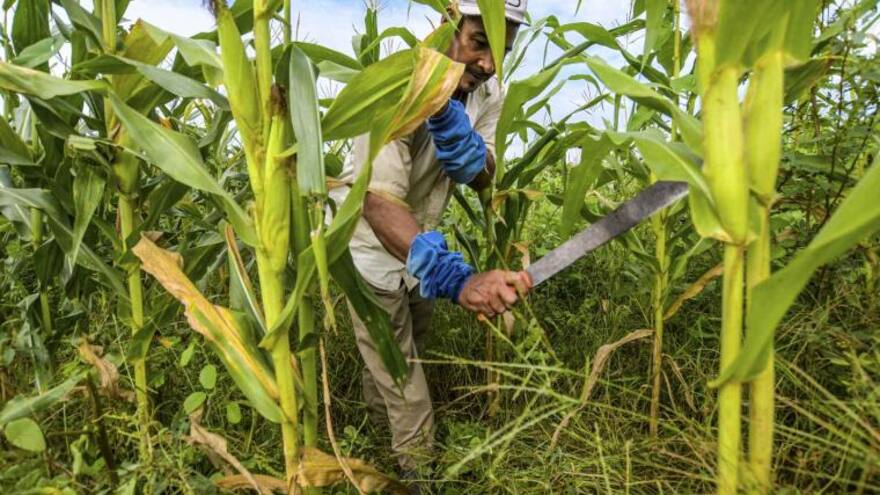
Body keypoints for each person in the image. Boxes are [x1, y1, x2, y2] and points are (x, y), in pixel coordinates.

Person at [332, 0, 531, 481]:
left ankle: (376, 435)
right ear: (447, 22)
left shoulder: (489, 91)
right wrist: (455, 278)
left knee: (406, 352)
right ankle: (418, 478)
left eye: (501, 48)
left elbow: (485, 173)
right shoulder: (396, 85)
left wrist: (465, 147)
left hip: (420, 250)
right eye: (479, 42)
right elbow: (377, 203)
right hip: (369, 254)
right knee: (407, 385)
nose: (488, 63)